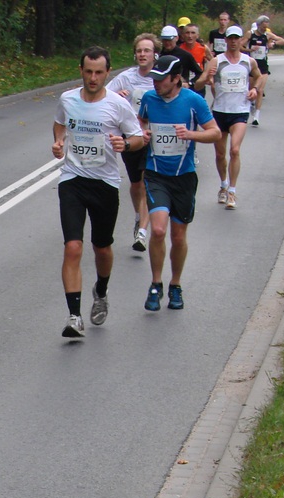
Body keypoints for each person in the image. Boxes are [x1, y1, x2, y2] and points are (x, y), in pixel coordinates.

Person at [51, 45, 145, 338]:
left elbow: (139, 137)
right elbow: (59, 123)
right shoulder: (68, 99)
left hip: (105, 184)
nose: (93, 78)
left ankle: (101, 291)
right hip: (73, 180)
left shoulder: (117, 104)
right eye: (88, 72)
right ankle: (74, 316)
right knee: (73, 246)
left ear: (108, 73)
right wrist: (59, 142)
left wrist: (125, 144)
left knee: (102, 247)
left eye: (99, 73)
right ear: (81, 71)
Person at [138, 55, 221, 311]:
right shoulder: (149, 99)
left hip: (184, 177)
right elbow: (140, 121)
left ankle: (175, 284)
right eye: (154, 79)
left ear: (176, 79)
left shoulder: (193, 101)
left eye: (161, 79)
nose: (156, 84)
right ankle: (155, 284)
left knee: (178, 235)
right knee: (158, 230)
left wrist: (191, 134)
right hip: (156, 174)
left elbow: (215, 132)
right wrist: (142, 133)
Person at [107, 33, 159, 252]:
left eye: (147, 50)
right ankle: (139, 216)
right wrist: (116, 95)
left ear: (155, 54)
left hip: (154, 139)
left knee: (147, 183)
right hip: (131, 138)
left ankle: (142, 232)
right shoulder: (126, 77)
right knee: (136, 184)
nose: (142, 54)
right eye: (139, 51)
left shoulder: (160, 78)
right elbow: (103, 95)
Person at [205, 25, 263, 209]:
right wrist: (209, 80)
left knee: (235, 150)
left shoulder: (248, 61)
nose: (233, 41)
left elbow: (259, 77)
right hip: (220, 111)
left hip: (240, 111)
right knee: (220, 153)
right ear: (226, 40)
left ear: (240, 40)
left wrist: (255, 89)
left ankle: (232, 190)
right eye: (230, 38)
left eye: (236, 38)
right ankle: (223, 185)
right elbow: (205, 79)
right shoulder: (217, 61)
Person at [245, 16, 284, 124]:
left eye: (266, 27)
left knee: (260, 90)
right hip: (252, 65)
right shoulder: (250, 34)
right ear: (258, 25)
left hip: (263, 66)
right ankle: (251, 104)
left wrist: (273, 44)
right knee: (251, 89)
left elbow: (283, 41)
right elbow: (240, 46)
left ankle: (256, 116)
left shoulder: (267, 35)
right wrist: (249, 49)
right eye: (263, 27)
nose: (264, 29)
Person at [160, 26, 203, 90]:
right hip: (162, 89)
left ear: (176, 38)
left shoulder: (185, 55)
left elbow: (199, 73)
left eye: (169, 40)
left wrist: (190, 83)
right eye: (164, 40)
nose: (167, 43)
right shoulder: (158, 54)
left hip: (180, 90)